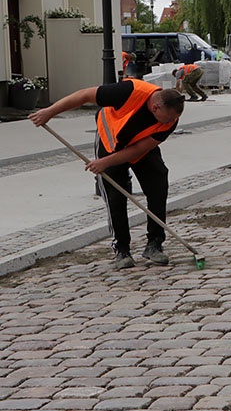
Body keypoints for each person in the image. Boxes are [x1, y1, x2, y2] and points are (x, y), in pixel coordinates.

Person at [28, 80, 185, 269]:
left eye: (172, 119)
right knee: (115, 195)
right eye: (167, 118)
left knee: (158, 182)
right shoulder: (129, 91)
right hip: (110, 140)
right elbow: (84, 94)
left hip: (138, 145)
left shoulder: (171, 120)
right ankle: (122, 250)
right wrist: (49, 112)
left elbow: (137, 150)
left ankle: (154, 244)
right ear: (155, 107)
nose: (170, 122)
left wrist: (104, 163)